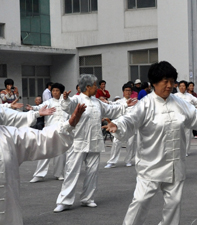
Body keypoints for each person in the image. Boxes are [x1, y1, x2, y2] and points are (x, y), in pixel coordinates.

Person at [103, 61, 197, 225]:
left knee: (173, 204)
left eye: (172, 81)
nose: (169, 85)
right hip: (150, 165)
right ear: (154, 83)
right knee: (139, 203)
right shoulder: (145, 104)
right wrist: (117, 125)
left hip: (175, 163)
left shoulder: (179, 103)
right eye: (165, 81)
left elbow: (196, 117)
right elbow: (129, 120)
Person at [53, 74, 134, 213]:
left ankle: (88, 198)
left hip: (94, 141)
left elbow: (111, 109)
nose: (97, 88)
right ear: (88, 86)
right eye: (95, 85)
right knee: (72, 171)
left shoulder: (97, 102)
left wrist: (125, 105)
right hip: (78, 141)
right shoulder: (76, 99)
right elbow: (67, 106)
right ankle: (64, 201)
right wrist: (65, 99)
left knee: (92, 172)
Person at [28, 83, 69, 182]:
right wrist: (33, 108)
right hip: (50, 129)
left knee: (61, 153)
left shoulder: (67, 102)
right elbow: (40, 107)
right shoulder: (49, 102)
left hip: (62, 129)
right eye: (53, 91)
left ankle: (59, 173)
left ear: (61, 92)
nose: (55, 92)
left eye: (57, 91)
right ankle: (39, 174)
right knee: (45, 151)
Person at [105, 83, 137, 168]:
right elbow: (111, 104)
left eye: (129, 90)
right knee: (116, 142)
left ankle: (128, 160)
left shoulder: (134, 102)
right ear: (123, 92)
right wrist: (107, 102)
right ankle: (112, 161)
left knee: (131, 143)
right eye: (126, 90)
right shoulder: (119, 102)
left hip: (130, 126)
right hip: (119, 126)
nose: (128, 92)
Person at [175, 80, 197, 154]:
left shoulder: (189, 96)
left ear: (186, 87)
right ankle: (179, 151)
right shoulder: (175, 96)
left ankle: (186, 151)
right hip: (178, 119)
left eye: (183, 86)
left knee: (187, 136)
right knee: (178, 136)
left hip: (188, 119)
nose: (182, 87)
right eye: (180, 86)